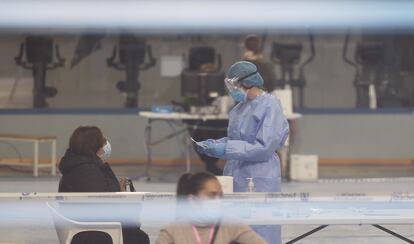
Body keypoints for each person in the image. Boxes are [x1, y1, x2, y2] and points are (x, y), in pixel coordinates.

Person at [197, 61, 289, 244]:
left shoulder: (270, 106)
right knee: (235, 229)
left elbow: (263, 147)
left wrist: (227, 149)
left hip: (259, 176)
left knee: (260, 229)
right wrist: (216, 145)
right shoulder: (239, 109)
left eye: (234, 85)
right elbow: (236, 141)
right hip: (236, 174)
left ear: (248, 82)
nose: (232, 91)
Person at [58, 126, 149, 244]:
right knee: (139, 238)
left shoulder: (81, 166)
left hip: (88, 224)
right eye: (102, 142)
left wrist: (118, 190)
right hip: (90, 230)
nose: (105, 145)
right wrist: (123, 197)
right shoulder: (86, 170)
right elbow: (104, 204)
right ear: (93, 146)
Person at [156, 172, 267, 244]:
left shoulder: (233, 226)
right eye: (212, 195)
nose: (218, 200)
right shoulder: (172, 232)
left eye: (220, 196)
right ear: (192, 200)